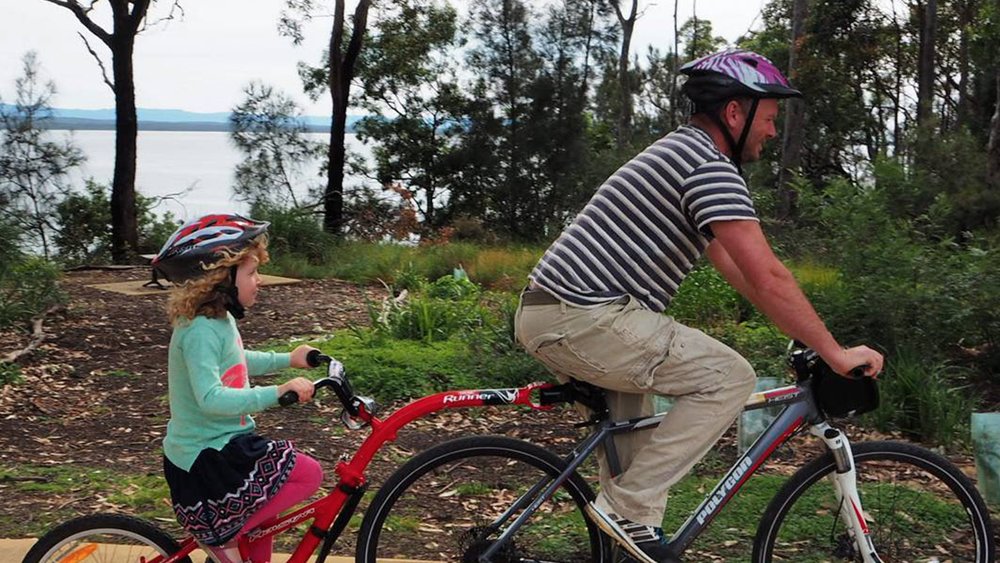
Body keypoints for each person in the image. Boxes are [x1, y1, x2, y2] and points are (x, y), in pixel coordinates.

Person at [514, 49, 884, 563]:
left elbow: (740, 271)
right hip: (584, 316)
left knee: (635, 475)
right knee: (728, 377)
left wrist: (804, 335)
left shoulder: (681, 154)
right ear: (736, 112)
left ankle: (623, 526)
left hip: (563, 313)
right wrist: (836, 352)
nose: (772, 133)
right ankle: (624, 508)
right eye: (771, 118)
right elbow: (769, 275)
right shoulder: (708, 166)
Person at [152, 213, 323, 563]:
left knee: (264, 523)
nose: (258, 281)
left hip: (228, 443)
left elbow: (236, 360)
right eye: (251, 273)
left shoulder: (219, 319)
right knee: (307, 474)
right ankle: (219, 537)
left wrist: (287, 358)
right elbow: (211, 398)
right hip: (204, 459)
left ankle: (229, 534)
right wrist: (276, 394)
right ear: (221, 278)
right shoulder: (199, 329)